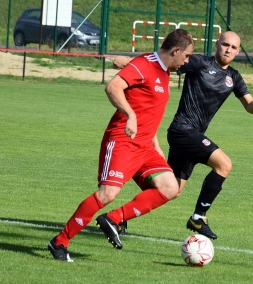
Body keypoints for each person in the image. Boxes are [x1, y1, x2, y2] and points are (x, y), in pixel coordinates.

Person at [48, 28, 194, 262]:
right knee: (107, 194)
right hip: (122, 141)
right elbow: (113, 87)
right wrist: (130, 115)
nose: (187, 61)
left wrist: (156, 147)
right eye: (186, 56)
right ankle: (59, 242)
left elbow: (150, 111)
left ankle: (114, 219)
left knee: (170, 188)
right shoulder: (146, 64)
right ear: (176, 51)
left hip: (145, 146)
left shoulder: (163, 70)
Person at [114, 31, 253, 240]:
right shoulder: (198, 63)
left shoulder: (234, 77)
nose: (228, 50)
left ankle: (118, 217)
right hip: (183, 130)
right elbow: (161, 61)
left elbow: (249, 105)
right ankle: (198, 217)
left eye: (233, 48)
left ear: (238, 51)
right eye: (225, 45)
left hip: (192, 136)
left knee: (171, 190)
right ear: (217, 44)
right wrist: (128, 62)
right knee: (224, 165)